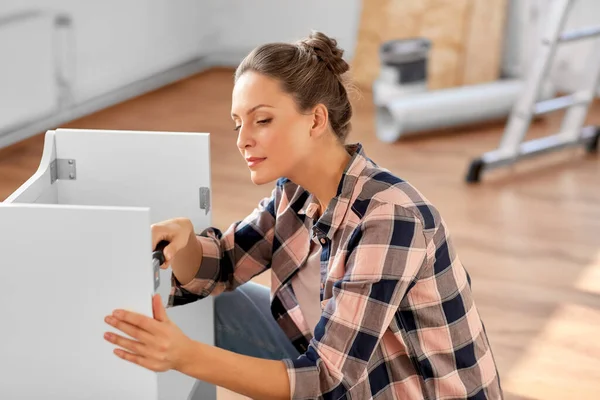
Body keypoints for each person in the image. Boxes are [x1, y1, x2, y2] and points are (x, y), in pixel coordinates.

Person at [103, 31, 503, 399]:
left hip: (397, 390)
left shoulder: (390, 219)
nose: (243, 140)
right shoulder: (293, 194)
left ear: (315, 119)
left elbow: (327, 381)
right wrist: (186, 242)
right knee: (217, 305)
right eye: (238, 123)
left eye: (262, 120)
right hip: (346, 373)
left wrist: (183, 355)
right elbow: (223, 265)